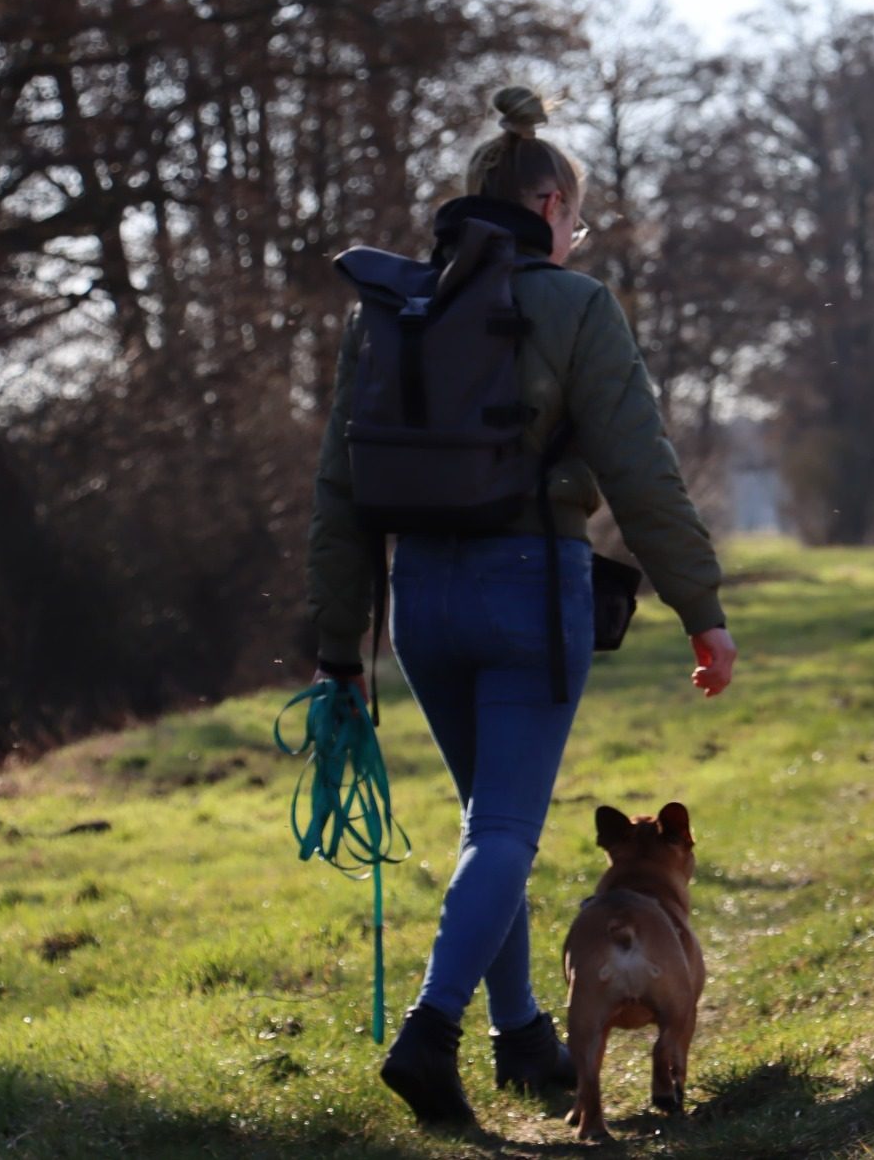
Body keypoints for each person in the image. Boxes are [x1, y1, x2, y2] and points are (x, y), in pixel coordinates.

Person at [306, 85, 737, 1127]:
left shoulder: (389, 311)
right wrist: (701, 607)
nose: (575, 233)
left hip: (422, 600)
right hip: (526, 589)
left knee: (483, 829)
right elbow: (641, 471)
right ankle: (429, 1030)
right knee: (504, 826)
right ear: (549, 205)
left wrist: (337, 646)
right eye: (575, 217)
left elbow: (338, 488)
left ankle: (522, 1040)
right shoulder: (573, 306)